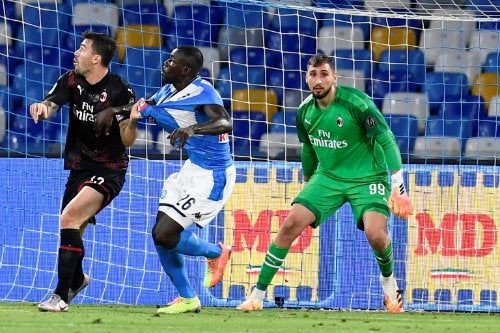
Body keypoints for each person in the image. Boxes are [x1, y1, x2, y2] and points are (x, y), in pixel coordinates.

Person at [236, 54, 413, 313]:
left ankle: (388, 282)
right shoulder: (305, 112)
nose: (318, 80)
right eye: (313, 74)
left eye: (323, 74)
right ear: (306, 78)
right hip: (328, 176)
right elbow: (308, 149)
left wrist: (398, 185)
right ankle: (256, 296)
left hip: (368, 177)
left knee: (375, 234)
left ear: (334, 77)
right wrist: (307, 183)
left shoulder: (357, 103)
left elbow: (386, 139)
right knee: (289, 225)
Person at [95, 45, 235, 314]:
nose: (165, 63)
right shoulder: (168, 91)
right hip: (190, 169)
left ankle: (217, 254)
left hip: (213, 175)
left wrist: (193, 128)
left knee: (165, 233)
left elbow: (226, 122)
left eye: (171, 61)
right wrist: (114, 111)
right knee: (160, 236)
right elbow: (143, 107)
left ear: (185, 69)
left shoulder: (203, 92)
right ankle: (188, 298)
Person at [29, 31, 138, 312]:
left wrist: (127, 119)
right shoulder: (70, 79)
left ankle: (60, 296)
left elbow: (127, 141)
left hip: (109, 168)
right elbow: (50, 106)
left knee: (69, 217)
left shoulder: (120, 91)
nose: (76, 52)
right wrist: (41, 108)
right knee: (72, 227)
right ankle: (77, 279)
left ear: (96, 58)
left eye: (82, 48)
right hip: (79, 167)